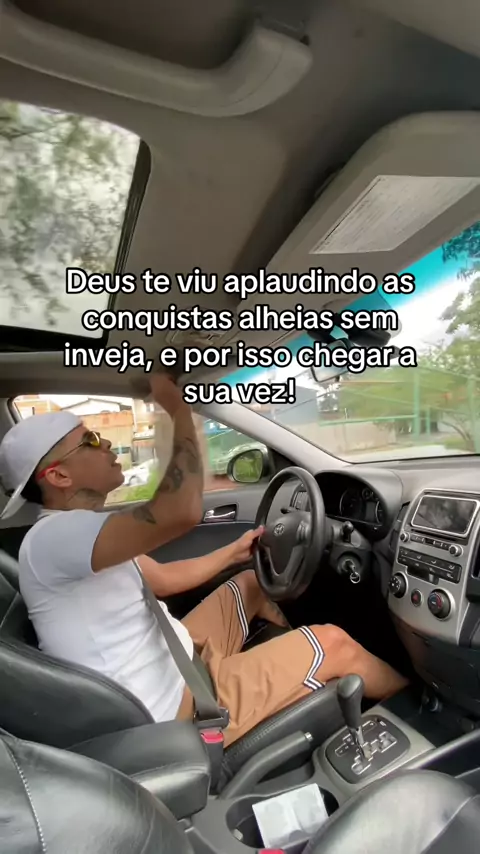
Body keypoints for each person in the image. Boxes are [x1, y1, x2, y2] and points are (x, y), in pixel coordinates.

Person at [0, 375, 408, 747]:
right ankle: (417, 711)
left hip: (174, 658)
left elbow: (161, 579)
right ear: (59, 477)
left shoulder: (74, 534)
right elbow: (181, 511)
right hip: (175, 709)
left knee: (251, 583)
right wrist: (178, 408)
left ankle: (288, 672)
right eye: (89, 441)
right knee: (334, 643)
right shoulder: (58, 537)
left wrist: (234, 552)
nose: (105, 443)